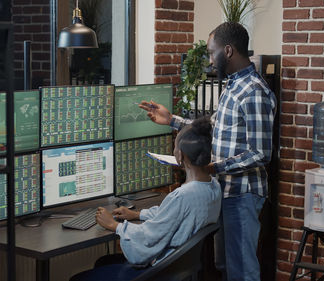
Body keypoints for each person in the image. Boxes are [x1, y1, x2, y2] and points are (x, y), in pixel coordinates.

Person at [139, 22, 277, 281]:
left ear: (227, 51)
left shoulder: (254, 92)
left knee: (242, 272)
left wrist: (212, 167)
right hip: (224, 192)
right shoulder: (233, 86)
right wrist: (172, 121)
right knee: (225, 266)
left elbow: (260, 153)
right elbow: (212, 127)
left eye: (212, 53)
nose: (210, 62)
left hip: (242, 195)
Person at [69, 117, 221, 281]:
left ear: (180, 155)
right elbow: (170, 215)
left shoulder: (182, 196)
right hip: (179, 268)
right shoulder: (213, 186)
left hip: (160, 271)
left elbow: (150, 236)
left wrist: (115, 226)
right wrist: (137, 214)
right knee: (104, 261)